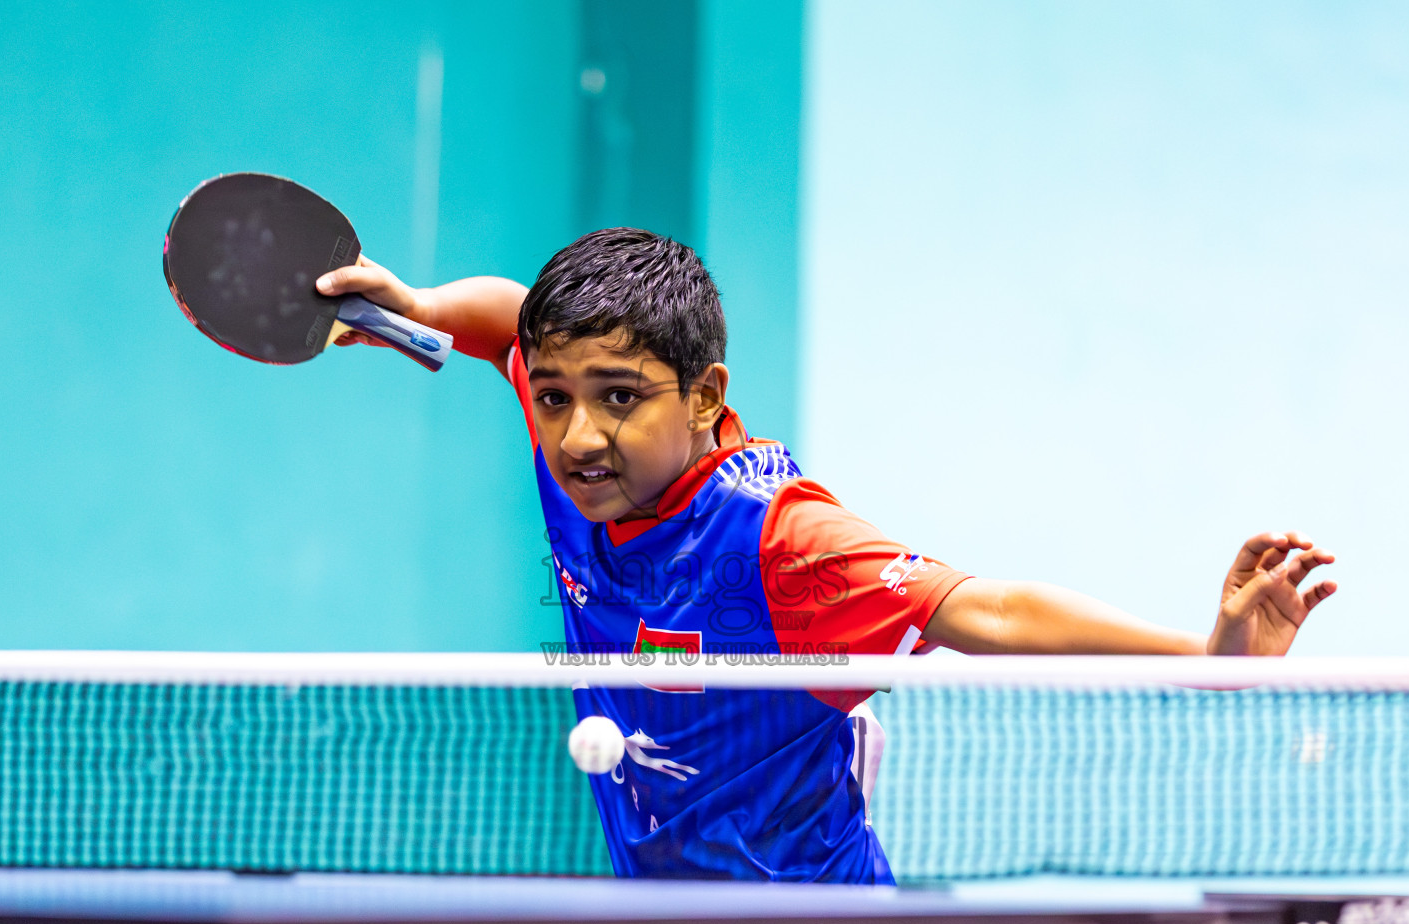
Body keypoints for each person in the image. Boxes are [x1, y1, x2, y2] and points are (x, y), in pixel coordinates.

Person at [316, 228, 1337, 883]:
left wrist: (1207, 657)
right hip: (664, 921)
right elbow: (512, 320)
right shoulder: (578, 443)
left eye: (619, 397)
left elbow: (989, 611)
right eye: (552, 396)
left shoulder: (783, 541)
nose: (579, 434)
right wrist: (426, 307)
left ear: (706, 396)